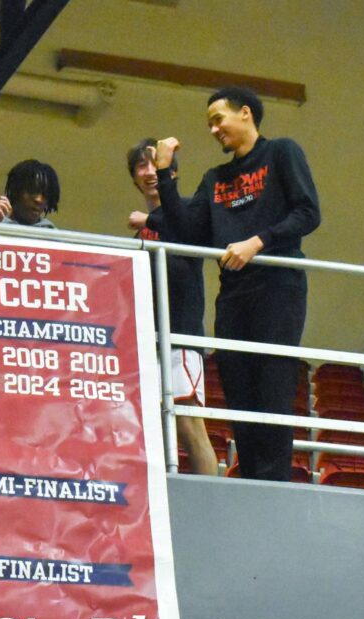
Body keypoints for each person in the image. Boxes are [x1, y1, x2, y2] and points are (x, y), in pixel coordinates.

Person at [150, 86, 320, 481]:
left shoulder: (282, 152)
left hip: (278, 289)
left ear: (245, 113)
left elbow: (308, 212)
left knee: (273, 389)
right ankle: (251, 482)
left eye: (218, 119)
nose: (213, 130)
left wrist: (258, 242)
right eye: (209, 124)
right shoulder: (215, 178)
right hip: (234, 295)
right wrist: (164, 174)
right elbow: (188, 231)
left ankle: (273, 488)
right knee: (238, 391)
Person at [127, 139, 218, 476]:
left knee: (189, 425)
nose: (150, 171)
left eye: (156, 164)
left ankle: (212, 501)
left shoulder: (187, 211)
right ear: (134, 177)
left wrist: (150, 219)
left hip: (181, 334)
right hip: (148, 339)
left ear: (172, 173)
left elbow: (187, 236)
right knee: (151, 428)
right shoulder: (141, 231)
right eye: (142, 165)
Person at [1, 159, 60, 228]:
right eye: (32, 191)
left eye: (45, 194)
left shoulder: (51, 232)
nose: (39, 200)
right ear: (15, 191)